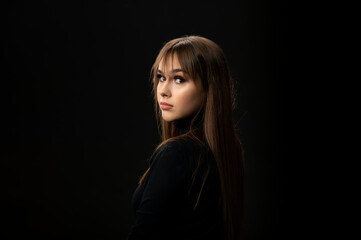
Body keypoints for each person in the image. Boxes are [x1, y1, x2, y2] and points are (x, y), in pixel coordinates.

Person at [127, 35, 244, 240]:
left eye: (179, 79)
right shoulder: (229, 150)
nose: (163, 91)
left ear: (210, 88)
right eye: (161, 77)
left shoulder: (175, 153)